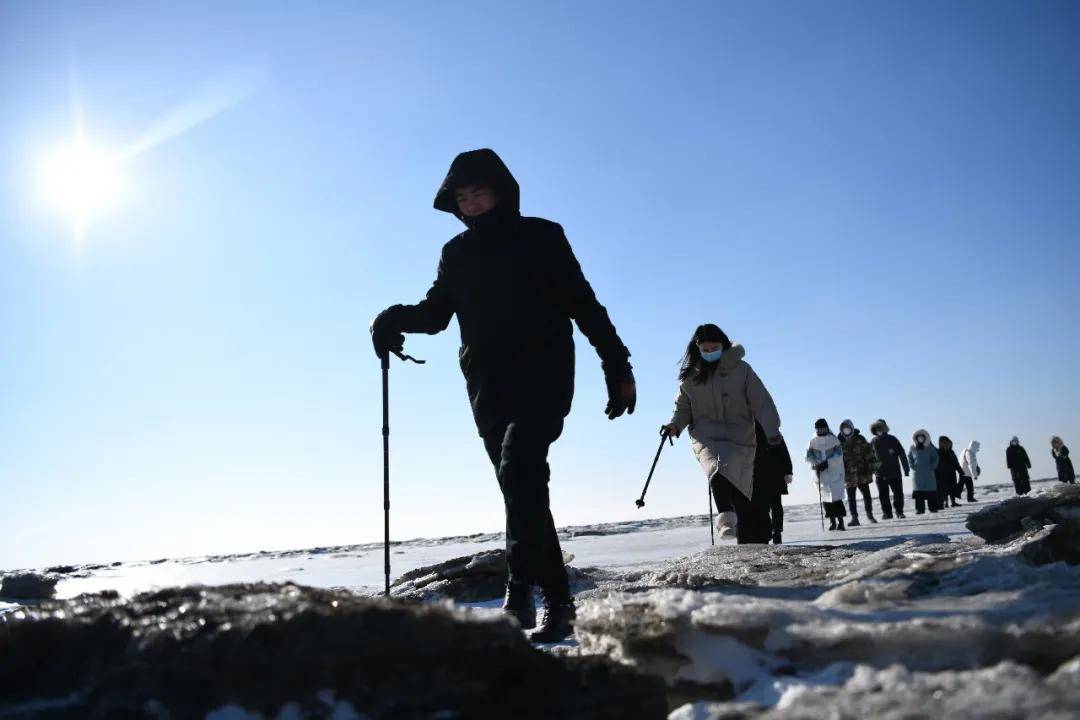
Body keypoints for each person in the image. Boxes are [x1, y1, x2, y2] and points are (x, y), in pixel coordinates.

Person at [370, 149, 636, 643]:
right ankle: (552, 600)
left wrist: (616, 363)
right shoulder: (456, 253)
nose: (470, 202)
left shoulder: (542, 235)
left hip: (544, 370)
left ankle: (527, 591)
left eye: (479, 191)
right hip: (487, 383)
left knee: (520, 468)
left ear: (502, 190)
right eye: (462, 196)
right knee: (522, 487)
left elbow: (582, 300)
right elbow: (436, 314)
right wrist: (392, 318)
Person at [663, 324, 783, 545]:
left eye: (714, 348)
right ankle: (726, 518)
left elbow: (761, 402)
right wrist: (674, 426)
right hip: (705, 434)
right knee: (716, 467)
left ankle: (746, 537)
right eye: (705, 350)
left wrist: (772, 430)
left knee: (739, 486)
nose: (709, 353)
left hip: (739, 435)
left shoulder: (742, 370)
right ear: (697, 348)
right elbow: (683, 409)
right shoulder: (690, 377)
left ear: (724, 346)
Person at [754, 422, 793, 544]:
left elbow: (784, 453)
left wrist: (788, 471)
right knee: (764, 506)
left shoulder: (774, 434)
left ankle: (776, 531)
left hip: (775, 475)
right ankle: (768, 531)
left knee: (775, 505)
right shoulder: (750, 434)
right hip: (759, 476)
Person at [807, 419, 847, 531]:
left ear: (826, 428)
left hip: (834, 473)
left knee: (836, 498)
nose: (821, 430)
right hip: (821, 474)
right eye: (818, 429)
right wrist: (816, 465)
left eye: (823, 428)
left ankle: (841, 521)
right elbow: (808, 456)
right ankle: (832, 521)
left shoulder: (834, 440)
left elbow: (839, 456)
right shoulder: (812, 441)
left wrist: (828, 463)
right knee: (826, 499)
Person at [838, 419, 877, 526]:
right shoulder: (839, 442)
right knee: (851, 498)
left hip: (862, 472)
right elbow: (837, 460)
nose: (846, 430)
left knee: (866, 495)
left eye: (848, 427)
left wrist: (872, 466)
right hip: (849, 475)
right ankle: (854, 518)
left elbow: (869, 453)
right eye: (844, 428)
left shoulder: (860, 439)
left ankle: (870, 515)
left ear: (852, 428)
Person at [869, 419, 909, 519]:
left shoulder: (892, 439)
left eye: (881, 427)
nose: (879, 430)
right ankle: (887, 513)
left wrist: (906, 469)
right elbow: (870, 457)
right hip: (880, 474)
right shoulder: (873, 441)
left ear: (885, 428)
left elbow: (902, 453)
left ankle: (899, 512)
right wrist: (873, 469)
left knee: (898, 493)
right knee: (883, 495)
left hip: (894, 472)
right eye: (877, 428)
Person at [909, 430, 941, 513]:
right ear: (916, 438)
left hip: (929, 473)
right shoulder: (912, 448)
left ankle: (933, 508)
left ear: (925, 438)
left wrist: (932, 466)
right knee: (919, 493)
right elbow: (910, 458)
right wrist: (913, 466)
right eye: (918, 437)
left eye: (921, 437)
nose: (920, 439)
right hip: (917, 474)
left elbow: (936, 458)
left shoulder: (930, 447)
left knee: (931, 491)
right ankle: (919, 509)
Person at [935, 436, 963, 508]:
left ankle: (953, 502)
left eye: (949, 444)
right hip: (942, 474)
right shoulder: (938, 452)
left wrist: (960, 470)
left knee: (952, 488)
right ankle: (946, 502)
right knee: (944, 489)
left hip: (951, 473)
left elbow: (956, 463)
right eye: (946, 444)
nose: (948, 445)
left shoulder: (951, 452)